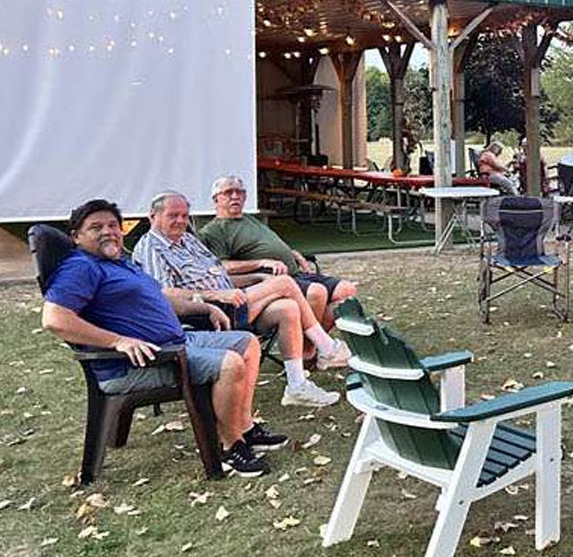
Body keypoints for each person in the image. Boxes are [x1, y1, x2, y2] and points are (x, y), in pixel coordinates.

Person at [41, 198, 279, 477]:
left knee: (247, 343)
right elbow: (54, 319)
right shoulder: (81, 267)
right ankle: (230, 447)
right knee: (230, 364)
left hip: (177, 342)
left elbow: (164, 299)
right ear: (76, 237)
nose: (108, 231)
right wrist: (118, 341)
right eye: (96, 227)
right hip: (145, 361)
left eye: (113, 225)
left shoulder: (120, 264)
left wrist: (204, 306)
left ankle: (244, 427)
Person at [134, 191, 347, 407]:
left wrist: (257, 277)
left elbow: (220, 276)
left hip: (233, 303)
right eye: (173, 215)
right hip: (205, 314)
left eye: (184, 215)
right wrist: (214, 295)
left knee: (287, 307)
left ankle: (296, 385)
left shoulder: (188, 240)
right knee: (284, 284)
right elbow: (163, 292)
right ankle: (328, 348)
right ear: (153, 216)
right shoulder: (151, 247)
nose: (180, 221)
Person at [197, 175, 359, 329]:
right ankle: (310, 351)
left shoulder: (250, 219)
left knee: (346, 291)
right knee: (317, 292)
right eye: (228, 192)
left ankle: (314, 347)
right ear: (216, 199)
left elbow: (268, 244)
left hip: (296, 274)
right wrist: (261, 262)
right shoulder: (214, 231)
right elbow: (221, 267)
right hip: (270, 281)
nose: (235, 196)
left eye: (240, 192)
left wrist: (292, 253)